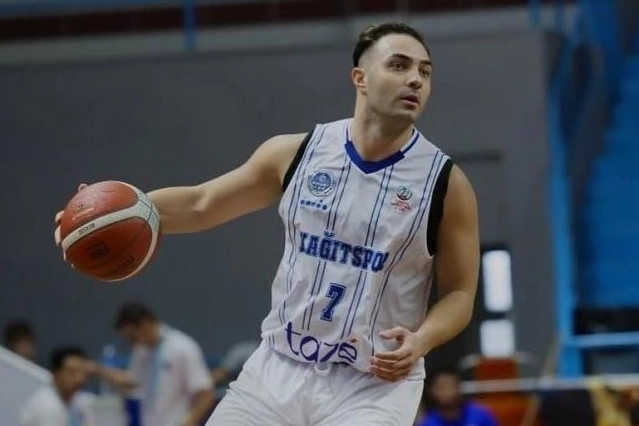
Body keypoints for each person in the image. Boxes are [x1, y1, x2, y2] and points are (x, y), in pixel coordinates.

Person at [55, 21, 479, 425]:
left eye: (425, 71)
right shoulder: (296, 153)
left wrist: (423, 339)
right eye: (399, 65)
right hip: (278, 369)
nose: (415, 80)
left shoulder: (446, 184)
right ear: (360, 78)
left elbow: (460, 293)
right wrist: (104, 217)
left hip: (372, 383)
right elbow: (202, 203)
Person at [88, 302, 215, 426]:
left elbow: (205, 394)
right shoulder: (141, 351)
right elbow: (131, 382)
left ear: (145, 324)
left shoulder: (182, 348)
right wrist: (99, 370)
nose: (132, 343)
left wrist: (188, 421)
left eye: (133, 338)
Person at [19, 346, 96, 426]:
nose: (78, 379)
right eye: (71, 373)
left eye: (81, 372)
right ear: (55, 374)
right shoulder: (47, 405)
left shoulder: (79, 400)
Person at [418, 369, 498, 426]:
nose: (448, 392)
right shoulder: (427, 423)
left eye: (451, 385)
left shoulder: (480, 413)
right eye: (442, 387)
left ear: (459, 387)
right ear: (431, 391)